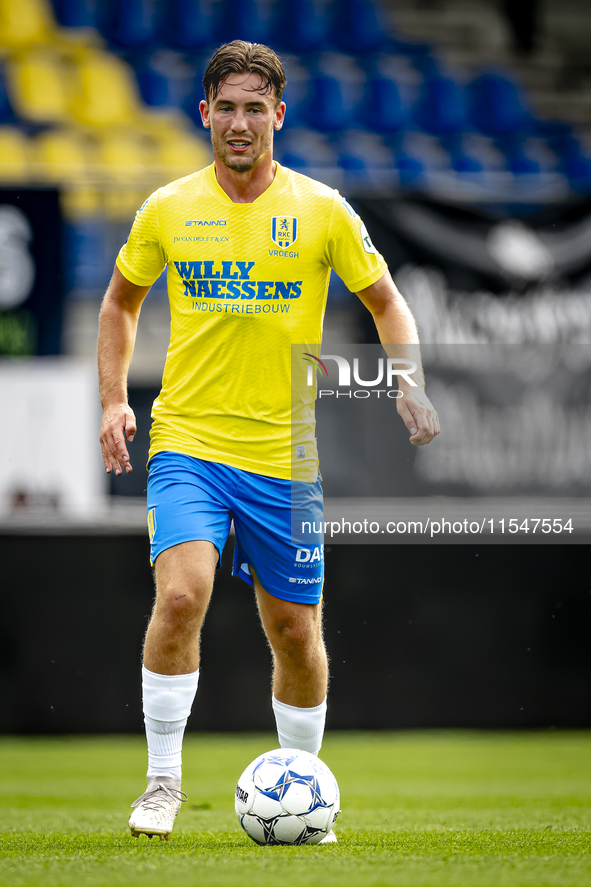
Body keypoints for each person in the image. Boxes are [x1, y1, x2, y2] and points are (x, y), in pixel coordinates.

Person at [98, 40, 439, 843]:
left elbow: (387, 302)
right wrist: (114, 399)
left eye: (257, 107)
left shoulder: (322, 210)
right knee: (181, 594)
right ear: (204, 114)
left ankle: (306, 789)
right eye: (228, 106)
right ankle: (161, 785)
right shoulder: (167, 209)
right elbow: (118, 303)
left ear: (278, 116)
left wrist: (408, 377)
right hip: (187, 441)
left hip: (284, 458)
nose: (241, 121)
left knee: (294, 630)